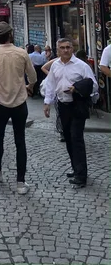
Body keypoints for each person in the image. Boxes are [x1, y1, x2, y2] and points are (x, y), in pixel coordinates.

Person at [0, 22, 37, 195]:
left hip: (1, 102)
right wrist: (29, 86)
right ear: (11, 34)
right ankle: (21, 182)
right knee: (20, 141)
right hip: (20, 103)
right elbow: (33, 76)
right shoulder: (22, 53)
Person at [43, 38, 98, 188]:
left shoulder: (81, 66)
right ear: (57, 50)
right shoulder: (55, 65)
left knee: (76, 138)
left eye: (68, 47)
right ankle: (76, 168)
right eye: (62, 48)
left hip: (78, 106)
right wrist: (47, 103)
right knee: (68, 137)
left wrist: (77, 88)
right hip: (63, 105)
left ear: (72, 48)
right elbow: (51, 84)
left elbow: (93, 85)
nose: (66, 50)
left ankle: (81, 175)